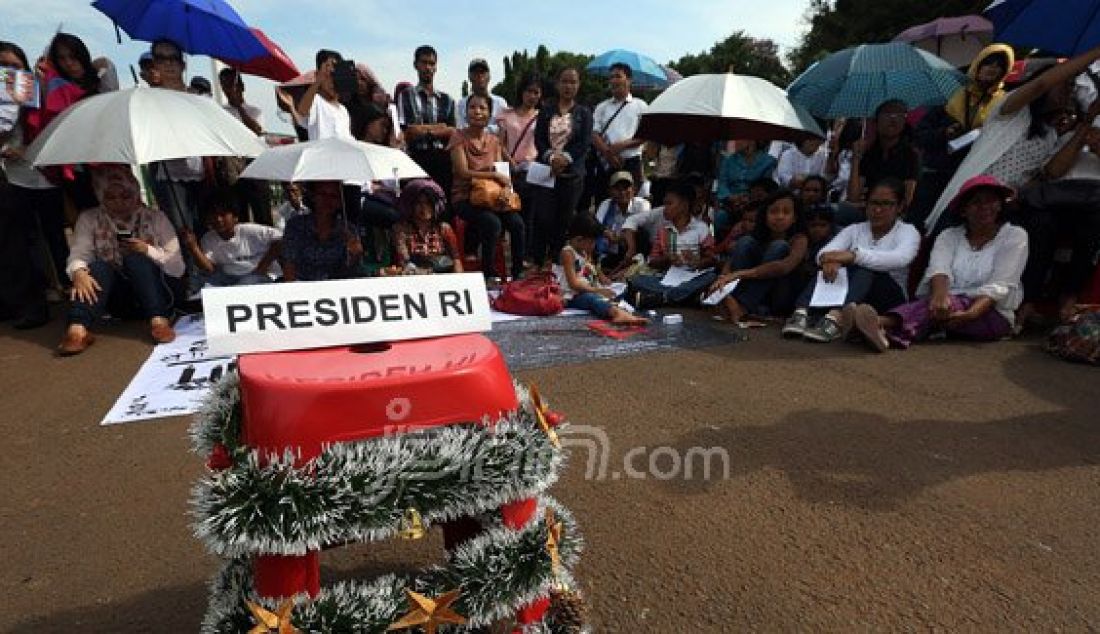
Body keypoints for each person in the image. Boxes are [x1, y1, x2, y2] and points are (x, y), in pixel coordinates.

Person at [926, 45, 1100, 233]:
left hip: (1000, 212)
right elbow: (1041, 85)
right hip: (968, 200)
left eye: (1072, 86)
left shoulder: (1049, 133)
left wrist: (1089, 120)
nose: (1070, 90)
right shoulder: (1012, 110)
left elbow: (1051, 172)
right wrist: (1095, 53)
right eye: (1065, 83)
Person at [848, 175, 1028, 351]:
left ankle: (882, 323)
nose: (984, 207)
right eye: (976, 202)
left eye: (991, 201)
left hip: (990, 313)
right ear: (963, 210)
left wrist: (971, 313)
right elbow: (939, 268)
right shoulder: (949, 236)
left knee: (935, 309)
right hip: (943, 309)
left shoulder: (1014, 236)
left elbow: (1001, 284)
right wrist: (939, 297)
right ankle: (881, 333)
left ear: (1000, 205)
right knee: (936, 308)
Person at [59, 166, 183, 356]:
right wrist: (78, 272)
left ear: (134, 192)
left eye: (125, 196)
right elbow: (79, 253)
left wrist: (147, 250)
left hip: (158, 291)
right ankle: (78, 328)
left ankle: (159, 320)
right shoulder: (89, 218)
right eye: (111, 197)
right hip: (119, 298)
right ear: (101, 196)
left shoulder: (156, 217)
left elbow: (177, 267)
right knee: (95, 268)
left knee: (135, 260)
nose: (119, 203)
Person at [784, 177, 920, 342]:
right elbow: (824, 253)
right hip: (853, 292)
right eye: (874, 203)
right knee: (830, 265)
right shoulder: (855, 229)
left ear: (899, 207)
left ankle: (837, 319)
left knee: (866, 269)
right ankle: (801, 312)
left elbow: (900, 259)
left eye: (886, 204)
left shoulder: (908, 232)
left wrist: (853, 256)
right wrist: (830, 260)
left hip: (889, 296)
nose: (878, 210)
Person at [0, 40, 53, 329]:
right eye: (2, 67)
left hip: (42, 180)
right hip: (12, 180)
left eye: (14, 66)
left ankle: (42, 304)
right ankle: (23, 303)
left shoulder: (34, 89)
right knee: (17, 244)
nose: (8, 73)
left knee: (44, 243)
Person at [449, 93, 524, 281]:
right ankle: (488, 274)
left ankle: (517, 273)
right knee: (492, 223)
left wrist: (506, 189)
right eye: (472, 107)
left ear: (489, 113)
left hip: (491, 197)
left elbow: (501, 170)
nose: (477, 112)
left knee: (517, 223)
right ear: (466, 112)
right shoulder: (458, 137)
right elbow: (463, 172)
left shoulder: (494, 140)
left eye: (482, 108)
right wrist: (493, 175)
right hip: (465, 197)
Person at [709, 189, 808, 324]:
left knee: (779, 246)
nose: (779, 217)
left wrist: (739, 274)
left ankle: (742, 307)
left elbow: (784, 267)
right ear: (765, 215)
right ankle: (733, 301)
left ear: (795, 217)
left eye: (786, 212)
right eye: (773, 212)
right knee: (744, 242)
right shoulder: (756, 236)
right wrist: (723, 281)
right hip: (754, 294)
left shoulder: (799, 239)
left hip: (779, 296)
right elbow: (730, 262)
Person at [530, 67, 593, 264]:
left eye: (573, 82)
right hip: (546, 172)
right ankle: (538, 261)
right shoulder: (546, 110)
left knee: (564, 220)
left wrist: (565, 158)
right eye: (565, 81)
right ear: (557, 84)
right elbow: (539, 139)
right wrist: (550, 157)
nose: (568, 86)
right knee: (543, 218)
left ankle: (557, 263)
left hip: (572, 175)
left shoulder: (584, 113)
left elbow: (584, 143)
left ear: (578, 85)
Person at [628, 181, 717, 308]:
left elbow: (712, 259)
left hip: (692, 277)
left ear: (684, 205)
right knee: (636, 280)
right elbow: (652, 261)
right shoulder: (664, 230)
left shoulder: (701, 228)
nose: (665, 208)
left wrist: (696, 261)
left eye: (669, 204)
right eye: (665, 204)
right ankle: (685, 298)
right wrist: (667, 259)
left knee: (711, 277)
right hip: (668, 277)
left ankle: (662, 298)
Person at [179, 189, 281, 287]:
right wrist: (194, 248)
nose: (218, 219)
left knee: (245, 284)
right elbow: (210, 269)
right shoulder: (208, 238)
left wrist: (262, 268)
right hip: (228, 277)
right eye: (213, 215)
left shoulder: (250, 230)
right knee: (197, 281)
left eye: (223, 215)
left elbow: (280, 239)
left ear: (235, 217)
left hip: (258, 275)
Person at [558, 213, 647, 325]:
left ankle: (629, 303)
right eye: (591, 242)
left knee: (620, 290)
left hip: (590, 287)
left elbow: (591, 267)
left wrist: (602, 278)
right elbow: (573, 284)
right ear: (579, 239)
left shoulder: (584, 251)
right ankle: (616, 313)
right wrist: (597, 290)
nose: (594, 245)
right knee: (592, 299)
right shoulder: (568, 253)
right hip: (573, 295)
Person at [845, 100, 921, 223]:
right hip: (868, 212)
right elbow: (853, 197)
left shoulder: (910, 155)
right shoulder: (870, 154)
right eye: (887, 113)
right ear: (876, 121)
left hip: (897, 216)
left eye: (899, 114)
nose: (893, 118)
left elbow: (907, 199)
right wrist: (855, 159)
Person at [397, 45, 456, 202]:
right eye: (424, 63)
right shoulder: (406, 95)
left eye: (432, 63)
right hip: (416, 158)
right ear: (416, 65)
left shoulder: (447, 100)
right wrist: (439, 128)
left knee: (442, 204)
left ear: (436, 67)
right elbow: (408, 131)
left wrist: (424, 130)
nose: (428, 68)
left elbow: (452, 132)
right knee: (418, 204)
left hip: (442, 160)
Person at [587, 62, 648, 209]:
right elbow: (593, 133)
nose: (613, 80)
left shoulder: (641, 106)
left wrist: (622, 145)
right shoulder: (602, 107)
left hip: (631, 162)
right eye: (611, 77)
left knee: (632, 205)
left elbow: (644, 135)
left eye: (618, 76)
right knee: (604, 202)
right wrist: (608, 153)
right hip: (606, 164)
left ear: (629, 80)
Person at [217, 68, 272, 226]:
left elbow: (257, 130)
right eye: (225, 86)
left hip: (254, 164)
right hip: (232, 167)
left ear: (242, 87)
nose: (229, 90)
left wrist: (239, 107)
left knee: (262, 214)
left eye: (232, 85)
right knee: (239, 216)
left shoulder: (255, 111)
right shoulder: (221, 112)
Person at [497, 72, 541, 256]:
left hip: (533, 171)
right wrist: (511, 161)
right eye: (529, 91)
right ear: (521, 92)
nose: (533, 96)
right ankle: (502, 256)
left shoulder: (542, 117)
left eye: (537, 92)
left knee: (529, 216)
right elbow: (499, 143)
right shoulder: (506, 115)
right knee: (508, 212)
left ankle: (524, 257)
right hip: (510, 170)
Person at [281, 180, 363, 281]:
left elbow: (351, 273)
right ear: (313, 196)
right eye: (322, 194)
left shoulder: (349, 230)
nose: (327, 200)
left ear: (339, 201)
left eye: (333, 196)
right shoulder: (295, 226)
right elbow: (289, 266)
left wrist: (355, 255)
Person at [391, 179, 462, 274]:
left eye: (428, 203)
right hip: (413, 276)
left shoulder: (444, 228)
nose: (424, 208)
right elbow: (403, 261)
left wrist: (459, 279)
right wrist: (425, 273)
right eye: (419, 203)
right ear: (411, 205)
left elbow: (456, 259)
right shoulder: (401, 229)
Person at [714, 140, 777, 240]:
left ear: (752, 141)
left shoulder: (769, 161)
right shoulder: (729, 160)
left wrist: (748, 198)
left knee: (752, 218)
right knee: (719, 216)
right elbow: (722, 183)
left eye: (739, 139)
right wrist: (730, 197)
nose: (735, 142)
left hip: (755, 203)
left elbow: (766, 186)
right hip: (730, 202)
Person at [594, 171, 650, 268]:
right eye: (617, 189)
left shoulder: (642, 204)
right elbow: (595, 224)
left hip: (632, 249)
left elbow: (641, 227)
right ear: (610, 191)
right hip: (611, 250)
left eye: (626, 188)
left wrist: (620, 236)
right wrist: (606, 232)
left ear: (633, 190)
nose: (622, 192)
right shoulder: (606, 204)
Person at [297, 50, 353, 141]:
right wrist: (317, 81)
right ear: (318, 75)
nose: (332, 82)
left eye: (335, 77)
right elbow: (302, 112)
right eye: (328, 76)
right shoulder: (316, 101)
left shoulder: (343, 110)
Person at [457, 58, 509, 133]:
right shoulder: (462, 103)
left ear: (489, 76)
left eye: (482, 72)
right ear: (470, 77)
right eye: (475, 72)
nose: (479, 75)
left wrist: (477, 129)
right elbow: (460, 128)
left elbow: (504, 127)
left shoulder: (500, 103)